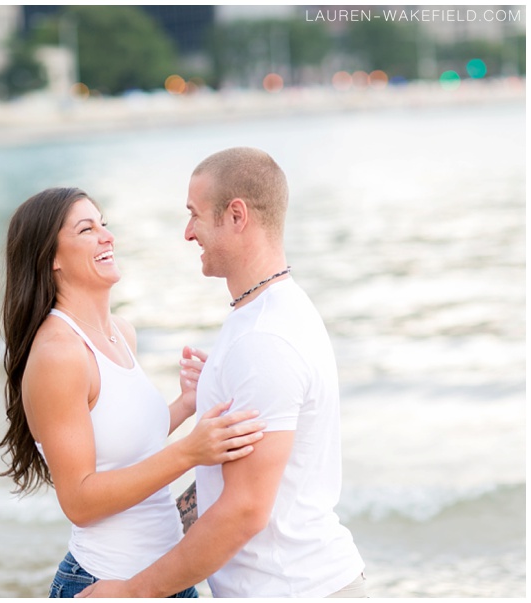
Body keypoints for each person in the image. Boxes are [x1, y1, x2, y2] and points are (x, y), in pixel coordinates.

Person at [78, 147, 367, 598]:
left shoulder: (264, 339)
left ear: (236, 216)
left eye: (195, 215)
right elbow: (227, 484)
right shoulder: (261, 315)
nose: (188, 233)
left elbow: (244, 511)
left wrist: (132, 592)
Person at [0, 187, 266, 598]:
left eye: (104, 225)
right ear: (50, 257)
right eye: (87, 229)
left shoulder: (121, 333)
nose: (107, 237)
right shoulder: (58, 354)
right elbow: (80, 501)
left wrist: (186, 406)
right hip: (103, 583)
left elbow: (120, 444)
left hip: (162, 580)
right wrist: (190, 452)